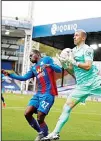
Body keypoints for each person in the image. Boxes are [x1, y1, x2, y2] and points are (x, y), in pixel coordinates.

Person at [42, 29, 101, 140]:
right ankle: (55, 133)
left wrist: (74, 62)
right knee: (66, 107)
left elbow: (88, 66)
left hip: (95, 83)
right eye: (74, 35)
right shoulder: (72, 51)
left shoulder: (87, 50)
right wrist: (65, 65)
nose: (74, 37)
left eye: (76, 35)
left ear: (83, 38)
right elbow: (74, 72)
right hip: (81, 87)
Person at [2, 49, 62, 141]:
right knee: (27, 113)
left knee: (40, 116)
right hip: (38, 94)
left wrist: (49, 65)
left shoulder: (47, 59)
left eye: (31, 55)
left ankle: (45, 136)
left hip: (48, 93)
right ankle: (41, 132)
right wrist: (9, 74)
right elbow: (23, 78)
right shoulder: (33, 68)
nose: (30, 57)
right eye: (29, 56)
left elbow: (59, 70)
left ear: (37, 54)